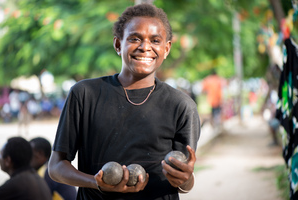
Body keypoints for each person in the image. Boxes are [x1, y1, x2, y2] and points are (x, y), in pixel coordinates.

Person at [48, 3, 200, 200]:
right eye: (135, 38)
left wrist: (186, 179)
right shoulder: (84, 94)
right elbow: (56, 166)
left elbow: (184, 181)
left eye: (155, 40)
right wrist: (97, 183)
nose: (145, 47)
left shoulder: (182, 106)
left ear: (166, 48)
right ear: (118, 45)